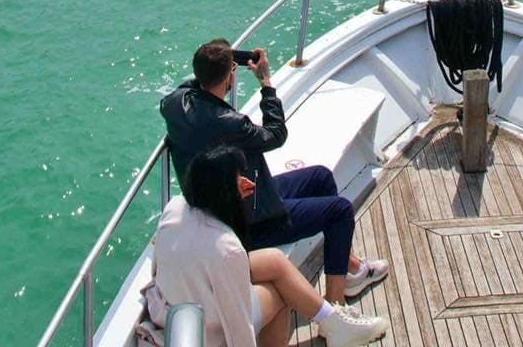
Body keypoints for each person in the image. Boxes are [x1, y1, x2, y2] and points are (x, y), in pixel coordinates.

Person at [160, 39, 389, 303]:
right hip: (248, 220)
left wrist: (232, 59)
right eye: (232, 67)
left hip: (224, 200)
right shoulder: (231, 125)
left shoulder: (175, 104)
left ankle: (348, 266)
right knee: (340, 211)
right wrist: (265, 82)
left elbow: (208, 70)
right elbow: (276, 134)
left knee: (320, 177)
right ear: (229, 76)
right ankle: (337, 302)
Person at [151, 145, 389, 347]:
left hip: (173, 302)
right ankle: (336, 326)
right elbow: (237, 321)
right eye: (237, 178)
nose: (244, 182)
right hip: (209, 326)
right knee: (279, 293)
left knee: (274, 260)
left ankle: (333, 320)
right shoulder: (227, 248)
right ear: (222, 191)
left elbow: (158, 266)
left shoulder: (175, 208)